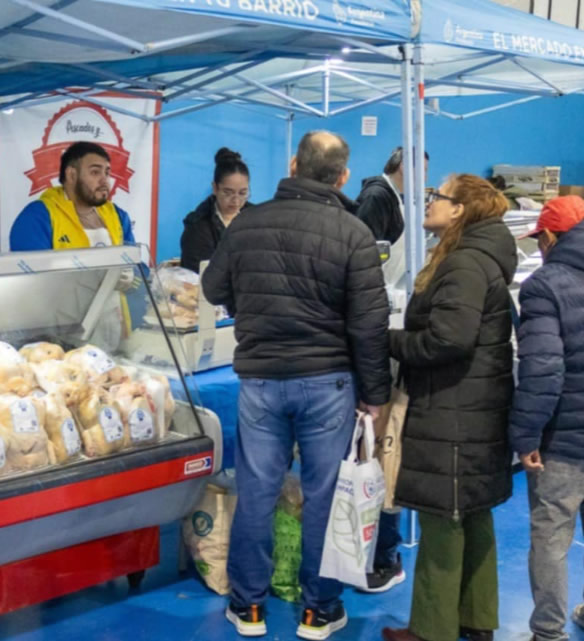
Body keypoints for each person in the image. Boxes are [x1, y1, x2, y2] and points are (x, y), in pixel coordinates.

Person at [202, 130, 391, 640]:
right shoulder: (353, 233)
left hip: (261, 380)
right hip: (328, 384)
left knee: (256, 493)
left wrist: (252, 306)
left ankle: (248, 607)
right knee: (324, 498)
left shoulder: (247, 223)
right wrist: (376, 396)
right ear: (342, 176)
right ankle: (319, 609)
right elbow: (369, 326)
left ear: (293, 164)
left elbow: (212, 287)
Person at [382, 175, 517, 641]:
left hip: (453, 408)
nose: (430, 202)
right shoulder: (479, 258)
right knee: (474, 514)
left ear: (459, 210)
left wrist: (391, 342)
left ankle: (431, 630)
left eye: (438, 196)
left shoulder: (463, 265)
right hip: (474, 407)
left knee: (445, 516)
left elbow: (449, 339)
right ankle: (476, 621)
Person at [508, 195, 584, 641]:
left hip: (565, 440)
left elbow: (541, 369)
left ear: (551, 237)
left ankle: (548, 632)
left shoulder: (543, 285)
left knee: (552, 539)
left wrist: (526, 435)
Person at [354, 147, 427, 594]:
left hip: (386, 330)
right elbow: (370, 264)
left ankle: (376, 549)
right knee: (380, 460)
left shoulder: (393, 199)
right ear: (405, 167)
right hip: (380, 339)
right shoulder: (379, 198)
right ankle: (375, 554)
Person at [9, 141, 135, 250]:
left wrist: (134, 273)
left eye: (107, 173)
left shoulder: (118, 216)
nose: (105, 180)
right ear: (71, 175)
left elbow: (138, 268)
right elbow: (32, 274)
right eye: (95, 172)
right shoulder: (37, 216)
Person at [355, 147, 429, 288]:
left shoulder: (398, 199)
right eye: (423, 170)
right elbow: (363, 252)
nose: (425, 178)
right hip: (374, 289)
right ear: (404, 167)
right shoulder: (376, 197)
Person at [180, 147, 251, 273]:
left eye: (242, 193)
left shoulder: (258, 218)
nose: (236, 201)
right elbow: (195, 275)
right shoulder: (197, 226)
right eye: (228, 193)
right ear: (215, 188)